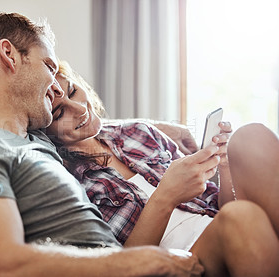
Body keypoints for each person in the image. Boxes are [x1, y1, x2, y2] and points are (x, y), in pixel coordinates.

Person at [0, 12, 205, 277]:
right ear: (9, 55)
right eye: (48, 66)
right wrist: (138, 261)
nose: (55, 86)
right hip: (124, 268)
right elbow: (1, 262)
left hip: (125, 263)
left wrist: (166, 128)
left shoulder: (37, 140)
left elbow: (88, 126)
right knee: (238, 222)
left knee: (242, 215)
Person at [45, 60, 279, 276]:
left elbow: (221, 206)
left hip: (220, 222)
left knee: (250, 137)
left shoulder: (138, 131)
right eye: (60, 113)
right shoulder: (70, 182)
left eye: (73, 91)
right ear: (44, 128)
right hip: (180, 256)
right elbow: (119, 265)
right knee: (241, 217)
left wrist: (224, 166)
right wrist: (165, 197)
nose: (79, 109)